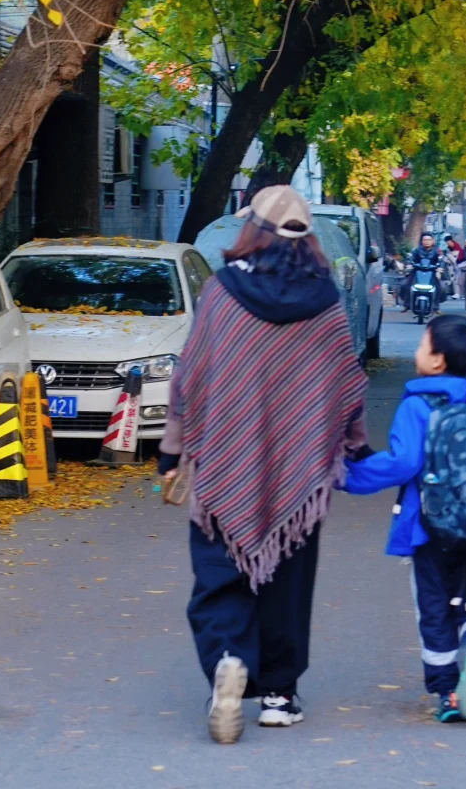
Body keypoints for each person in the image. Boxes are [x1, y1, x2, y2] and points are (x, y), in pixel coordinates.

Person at [158, 185, 369, 744]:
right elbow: (346, 382)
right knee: (288, 581)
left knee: (218, 578)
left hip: (228, 464)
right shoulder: (324, 300)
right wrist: (356, 444)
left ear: (249, 229)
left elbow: (189, 378)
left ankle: (229, 661)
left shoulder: (222, 294)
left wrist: (172, 451)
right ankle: (278, 694)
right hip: (299, 471)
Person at [343, 314, 466, 723]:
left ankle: (448, 692)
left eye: (422, 345)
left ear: (438, 361)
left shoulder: (415, 406)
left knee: (434, 606)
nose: (416, 351)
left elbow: (403, 463)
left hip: (427, 530)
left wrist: (348, 476)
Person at [406, 231, 444, 308]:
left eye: (429, 240)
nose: (427, 242)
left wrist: (440, 268)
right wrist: (409, 265)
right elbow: (410, 259)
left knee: (440, 287)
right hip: (417, 271)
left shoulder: (437, 251)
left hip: (432, 272)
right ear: (421, 241)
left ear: (433, 241)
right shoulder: (416, 250)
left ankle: (436, 306)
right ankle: (406, 304)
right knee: (406, 285)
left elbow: (441, 261)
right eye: (425, 240)